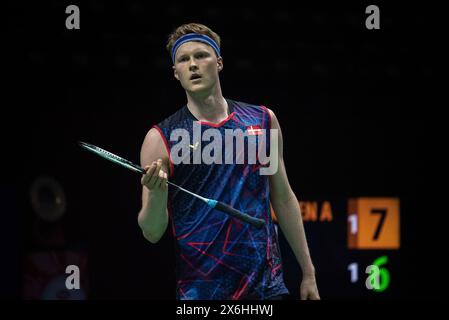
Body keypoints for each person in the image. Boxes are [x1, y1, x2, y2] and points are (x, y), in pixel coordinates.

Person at [137, 23, 320, 300]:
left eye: (201, 55)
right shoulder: (161, 138)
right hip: (202, 293)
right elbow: (152, 232)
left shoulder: (261, 121)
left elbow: (282, 198)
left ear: (219, 62)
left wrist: (308, 272)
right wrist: (155, 192)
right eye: (183, 60)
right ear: (176, 73)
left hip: (266, 288)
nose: (193, 65)